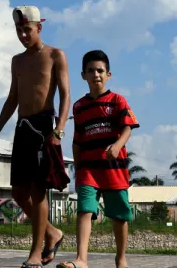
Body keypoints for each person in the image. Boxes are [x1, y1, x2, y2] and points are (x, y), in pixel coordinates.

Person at [0, 5, 70, 268]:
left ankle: (35, 253)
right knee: (19, 194)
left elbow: (66, 95)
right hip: (22, 128)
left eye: (27, 30)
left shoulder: (56, 55)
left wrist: (58, 130)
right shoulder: (17, 61)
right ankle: (52, 233)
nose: (23, 35)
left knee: (38, 191)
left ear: (39, 28)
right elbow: (13, 98)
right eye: (19, 30)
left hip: (45, 127)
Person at [56, 50, 139, 268]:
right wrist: (77, 168)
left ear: (108, 74)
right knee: (84, 210)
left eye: (100, 70)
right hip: (88, 170)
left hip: (114, 168)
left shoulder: (117, 101)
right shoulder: (79, 106)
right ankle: (82, 259)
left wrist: (117, 145)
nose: (96, 74)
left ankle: (121, 258)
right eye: (91, 70)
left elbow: (127, 128)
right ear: (83, 75)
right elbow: (77, 139)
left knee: (119, 216)